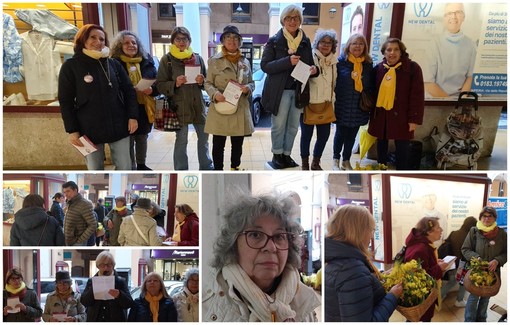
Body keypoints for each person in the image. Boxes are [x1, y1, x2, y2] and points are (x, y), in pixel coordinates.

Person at [202, 191, 320, 322]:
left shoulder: (305, 303)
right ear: (233, 244)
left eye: (279, 236)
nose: (271, 247)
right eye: (255, 235)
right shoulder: (205, 307)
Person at [58, 24, 138, 170]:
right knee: (94, 168)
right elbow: (65, 101)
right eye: (92, 37)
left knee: (125, 165)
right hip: (87, 129)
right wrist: (72, 130)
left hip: (119, 125)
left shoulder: (113, 64)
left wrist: (133, 116)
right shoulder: (71, 66)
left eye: (102, 39)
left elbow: (129, 91)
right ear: (83, 39)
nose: (98, 42)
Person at [261, 4, 318, 169]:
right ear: (283, 20)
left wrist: (315, 70)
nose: (292, 21)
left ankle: (286, 154)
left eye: (296, 18)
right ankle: (277, 154)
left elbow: (311, 65)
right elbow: (265, 66)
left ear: (300, 20)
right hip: (280, 92)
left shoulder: (305, 42)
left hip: (298, 90)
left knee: (293, 126)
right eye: (289, 18)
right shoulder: (274, 41)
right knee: (278, 125)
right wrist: (287, 62)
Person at [325, 204, 402, 321]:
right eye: (370, 230)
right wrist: (392, 296)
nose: (371, 236)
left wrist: (377, 276)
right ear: (359, 231)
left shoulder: (339, 260)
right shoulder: (352, 270)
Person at [156, 26, 213, 171]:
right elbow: (160, 85)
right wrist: (175, 83)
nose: (182, 42)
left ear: (189, 41)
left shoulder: (197, 57)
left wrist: (202, 81)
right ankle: (181, 169)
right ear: (173, 41)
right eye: (178, 39)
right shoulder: (167, 59)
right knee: (181, 140)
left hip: (198, 106)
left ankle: (206, 166)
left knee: (204, 138)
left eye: (185, 39)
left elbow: (206, 83)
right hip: (179, 107)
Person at [368, 38, 425, 170]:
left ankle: (402, 171)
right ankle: (382, 169)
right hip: (382, 114)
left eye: (396, 49)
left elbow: (417, 95)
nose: (392, 53)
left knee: (402, 147)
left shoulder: (412, 68)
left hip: (403, 115)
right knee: (381, 144)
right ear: (384, 52)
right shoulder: (379, 69)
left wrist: (414, 119)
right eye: (389, 49)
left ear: (401, 52)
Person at [204, 25, 254, 171]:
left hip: (239, 107)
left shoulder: (245, 61)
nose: (231, 41)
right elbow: (208, 83)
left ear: (239, 41)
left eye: (235, 38)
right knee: (218, 144)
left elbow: (251, 82)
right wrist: (215, 94)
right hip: (221, 106)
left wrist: (248, 88)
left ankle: (235, 168)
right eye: (228, 37)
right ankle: (217, 170)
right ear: (223, 41)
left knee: (238, 144)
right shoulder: (214, 61)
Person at [111, 30, 159, 170]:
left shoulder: (146, 61)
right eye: (126, 43)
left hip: (144, 106)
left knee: (142, 137)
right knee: (129, 140)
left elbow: (157, 83)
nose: (131, 45)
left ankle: (141, 164)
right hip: (124, 107)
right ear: (120, 46)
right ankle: (131, 166)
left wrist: (152, 90)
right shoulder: (114, 63)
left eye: (133, 42)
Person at [333, 33, 373, 170]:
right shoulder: (340, 63)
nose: (357, 46)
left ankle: (346, 160)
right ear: (348, 45)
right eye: (354, 43)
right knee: (340, 134)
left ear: (365, 47)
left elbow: (370, 86)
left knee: (352, 136)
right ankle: (335, 160)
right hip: (342, 105)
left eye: (361, 44)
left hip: (358, 107)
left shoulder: (368, 65)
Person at [300, 29, 338, 171]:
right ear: (317, 43)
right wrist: (309, 73)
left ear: (333, 45)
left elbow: (334, 83)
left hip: (327, 104)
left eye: (329, 42)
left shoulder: (334, 62)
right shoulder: (309, 57)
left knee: (323, 137)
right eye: (323, 42)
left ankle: (316, 162)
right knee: (306, 137)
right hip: (309, 105)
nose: (326, 45)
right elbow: (299, 78)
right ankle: (305, 164)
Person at [461, 206, 507, 322]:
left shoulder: (501, 234)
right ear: (480, 218)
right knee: (473, 297)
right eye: (484, 216)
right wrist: (477, 258)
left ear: (494, 218)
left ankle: (481, 319)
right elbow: (465, 249)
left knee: (486, 298)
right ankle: (469, 320)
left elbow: (507, 252)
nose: (486, 219)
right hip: (476, 273)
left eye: (489, 216)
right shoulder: (474, 231)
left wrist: (497, 260)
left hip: (492, 273)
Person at [424, 3, 476, 98]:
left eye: (458, 12)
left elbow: (470, 76)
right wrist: (450, 103)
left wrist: (462, 100)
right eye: (449, 13)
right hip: (436, 101)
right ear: (444, 18)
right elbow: (428, 83)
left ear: (463, 17)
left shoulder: (471, 44)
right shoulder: (433, 44)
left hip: (460, 101)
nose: (453, 16)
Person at [403, 216, 448, 321]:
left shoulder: (424, 245)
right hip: (421, 295)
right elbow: (420, 276)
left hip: (423, 294)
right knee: (417, 318)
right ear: (429, 232)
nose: (441, 230)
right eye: (438, 227)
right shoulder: (420, 248)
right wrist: (439, 268)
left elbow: (424, 265)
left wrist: (436, 263)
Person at [81, 251, 134, 321]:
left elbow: (129, 303)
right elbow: (84, 301)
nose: (106, 268)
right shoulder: (91, 281)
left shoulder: (120, 281)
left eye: (109, 265)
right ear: (98, 266)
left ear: (113, 266)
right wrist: (93, 289)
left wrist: (119, 295)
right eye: (102, 265)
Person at [440, 216, 477, 307]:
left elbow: (445, 243)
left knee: (452, 282)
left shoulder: (454, 233)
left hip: (452, 263)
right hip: (463, 265)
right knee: (463, 283)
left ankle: (439, 296)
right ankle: (459, 300)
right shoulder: (471, 237)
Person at [62, 181, 96, 246]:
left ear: (75, 190)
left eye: (68, 191)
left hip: (78, 243)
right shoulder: (70, 203)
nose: (66, 194)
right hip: (68, 242)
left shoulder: (84, 204)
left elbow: (93, 224)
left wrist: (81, 240)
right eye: (64, 192)